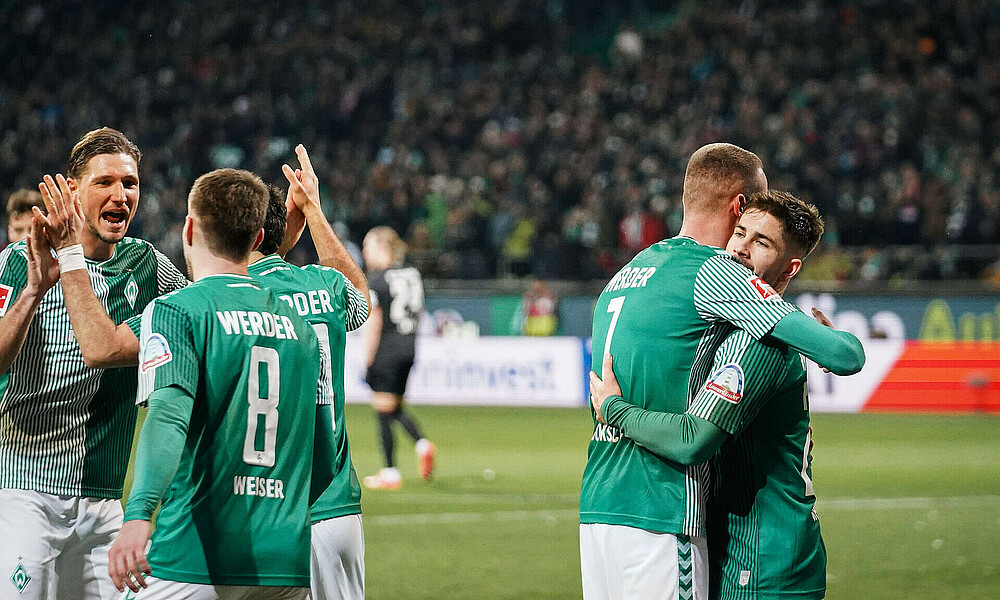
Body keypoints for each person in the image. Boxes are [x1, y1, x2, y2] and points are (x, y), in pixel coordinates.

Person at [579, 143, 864, 600]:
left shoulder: (635, 267)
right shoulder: (717, 272)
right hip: (664, 508)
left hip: (599, 503)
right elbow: (846, 356)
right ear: (739, 207)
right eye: (749, 222)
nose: (744, 248)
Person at [105, 168, 336, 598]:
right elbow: (325, 455)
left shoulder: (177, 310)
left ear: (188, 228)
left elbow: (169, 415)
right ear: (255, 240)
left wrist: (138, 514)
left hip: (195, 555)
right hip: (284, 563)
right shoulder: (302, 328)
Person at [0, 127, 187, 600]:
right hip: (24, 493)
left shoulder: (148, 265)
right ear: (72, 189)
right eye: (104, 182)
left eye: (130, 183)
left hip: (105, 503)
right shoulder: (18, 262)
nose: (120, 195)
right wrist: (33, 293)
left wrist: (274, 254)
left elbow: (208, 311)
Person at [248, 145, 370, 600]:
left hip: (264, 508)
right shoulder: (324, 285)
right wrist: (314, 212)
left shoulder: (227, 296)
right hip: (336, 507)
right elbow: (362, 300)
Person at [361, 226, 435, 489]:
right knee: (394, 407)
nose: (364, 253)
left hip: (387, 349)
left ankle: (390, 472)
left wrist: (369, 360)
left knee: (382, 411)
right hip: (409, 347)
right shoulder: (413, 273)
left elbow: (376, 321)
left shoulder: (378, 279)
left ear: (383, 248)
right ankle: (422, 444)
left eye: (368, 247)